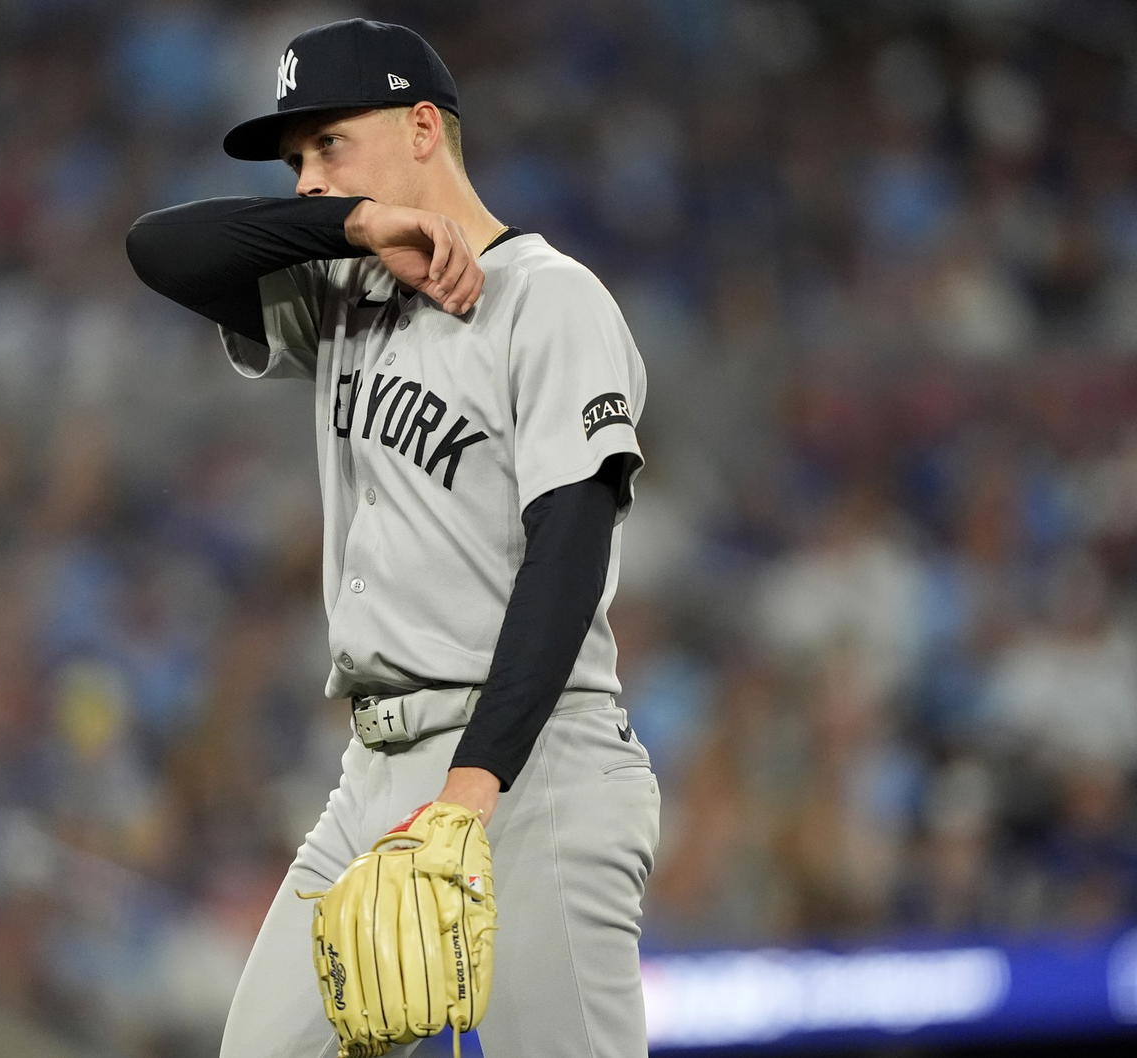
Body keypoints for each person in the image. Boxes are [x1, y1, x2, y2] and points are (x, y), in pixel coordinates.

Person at [127, 18, 659, 1057]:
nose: (308, 180)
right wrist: (354, 224)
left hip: (530, 770)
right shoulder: (344, 289)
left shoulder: (549, 301)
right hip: (372, 772)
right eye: (297, 162)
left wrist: (473, 789)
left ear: (424, 126)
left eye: (330, 145)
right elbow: (157, 246)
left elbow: (568, 558)